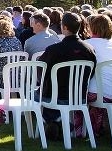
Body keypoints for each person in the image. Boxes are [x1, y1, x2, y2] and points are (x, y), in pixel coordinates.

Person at [38, 12, 97, 141]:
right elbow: (91, 73)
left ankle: (56, 120)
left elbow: (40, 71)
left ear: (63, 27)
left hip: (54, 96)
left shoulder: (54, 49)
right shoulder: (89, 49)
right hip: (79, 96)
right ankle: (59, 122)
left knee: (33, 94)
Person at [84, 14, 112, 137]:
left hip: (101, 93)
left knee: (78, 93)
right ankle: (97, 126)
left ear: (92, 28)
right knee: (99, 85)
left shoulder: (87, 44)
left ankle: (78, 129)